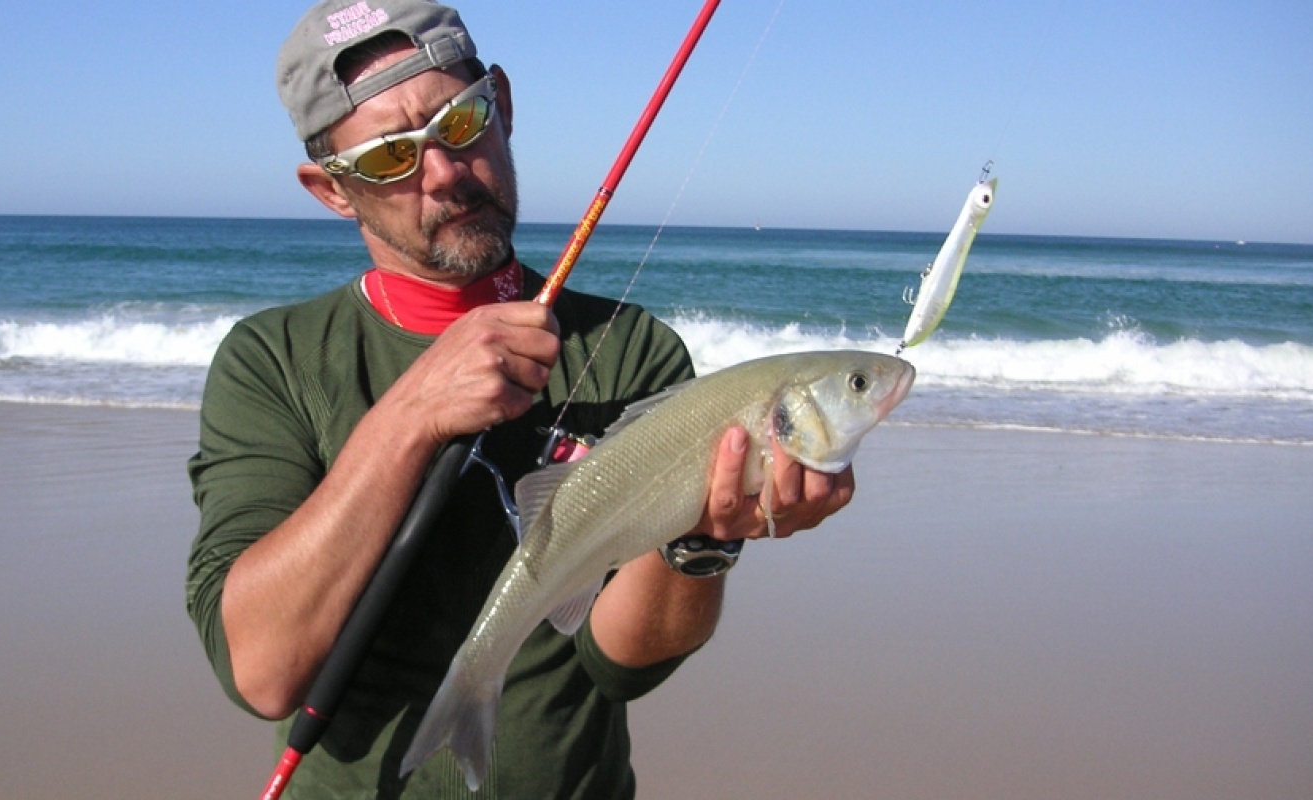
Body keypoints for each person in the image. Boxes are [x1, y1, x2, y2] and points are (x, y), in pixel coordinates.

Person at [186, 1, 856, 796]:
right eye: (386, 159)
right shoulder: (272, 361)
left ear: (501, 105)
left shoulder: (632, 347)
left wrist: (703, 543)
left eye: (459, 124)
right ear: (332, 191)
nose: (440, 171)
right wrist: (412, 414)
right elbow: (262, 671)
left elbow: (621, 663)